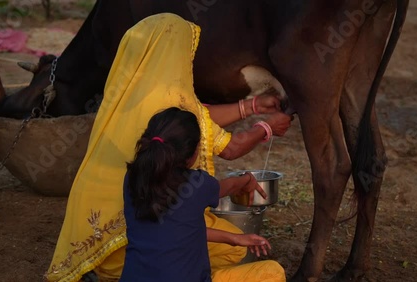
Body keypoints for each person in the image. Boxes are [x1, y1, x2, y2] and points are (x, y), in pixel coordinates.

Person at [45, 13, 292, 282]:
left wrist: (251, 107)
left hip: (102, 244)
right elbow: (230, 148)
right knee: (242, 259)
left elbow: (198, 116)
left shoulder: (123, 97)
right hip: (126, 250)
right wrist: (267, 127)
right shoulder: (195, 176)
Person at [121, 107, 281, 282]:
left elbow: (180, 230)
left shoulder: (132, 179)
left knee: (235, 249)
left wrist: (235, 238)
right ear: (193, 152)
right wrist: (247, 180)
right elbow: (228, 186)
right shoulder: (197, 184)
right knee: (272, 272)